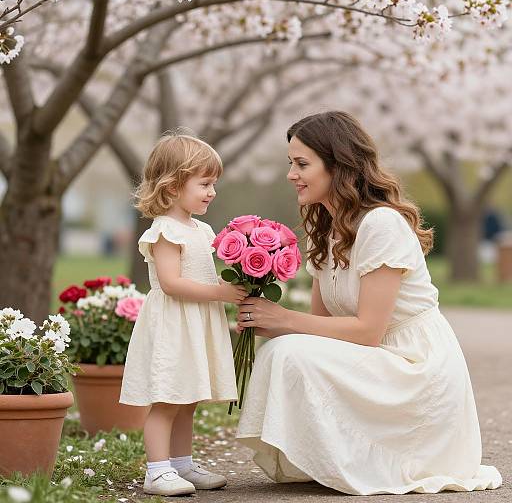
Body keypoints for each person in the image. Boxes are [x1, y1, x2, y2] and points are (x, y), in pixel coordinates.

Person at [235, 111, 502, 495]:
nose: (291, 174)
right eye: (290, 163)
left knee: (288, 350)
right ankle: (326, 456)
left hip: (414, 365)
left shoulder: (381, 224)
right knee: (283, 348)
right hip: (375, 358)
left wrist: (283, 318)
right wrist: (265, 320)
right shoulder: (326, 231)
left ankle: (387, 457)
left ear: (337, 165)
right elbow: (319, 331)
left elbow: (367, 331)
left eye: (302, 164)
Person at [119, 133, 249, 496]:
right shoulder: (164, 230)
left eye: (213, 184)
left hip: (195, 322)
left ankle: (181, 464)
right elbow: (172, 283)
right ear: (173, 186)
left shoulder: (202, 229)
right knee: (167, 399)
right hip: (174, 324)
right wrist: (220, 293)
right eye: (204, 184)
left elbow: (205, 272)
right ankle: (157, 471)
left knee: (187, 398)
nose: (212, 192)